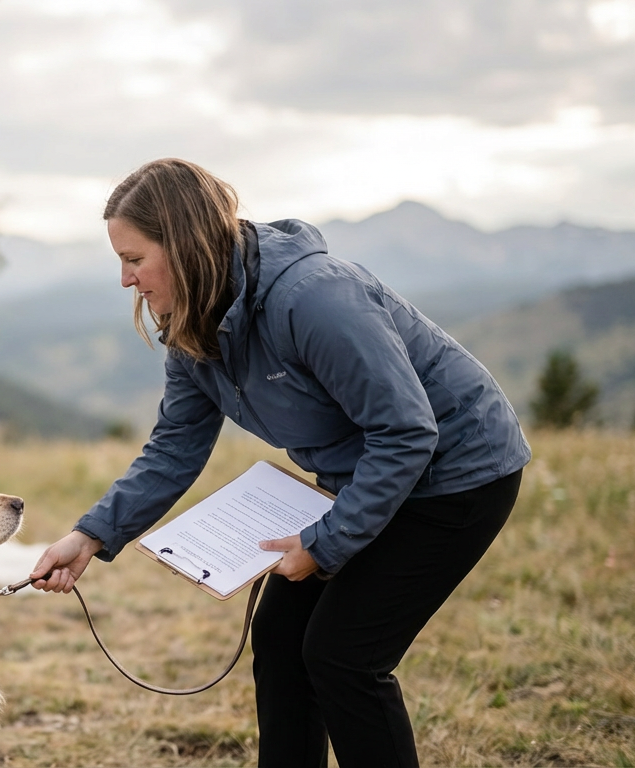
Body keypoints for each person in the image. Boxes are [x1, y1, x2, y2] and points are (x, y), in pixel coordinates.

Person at [29, 158, 531, 767]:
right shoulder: (192, 322)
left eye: (134, 259)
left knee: (343, 655)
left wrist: (326, 542)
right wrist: (90, 535)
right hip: (367, 476)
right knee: (280, 636)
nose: (126, 280)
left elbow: (405, 430)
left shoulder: (314, 297)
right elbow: (175, 444)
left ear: (185, 246)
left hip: (458, 475)